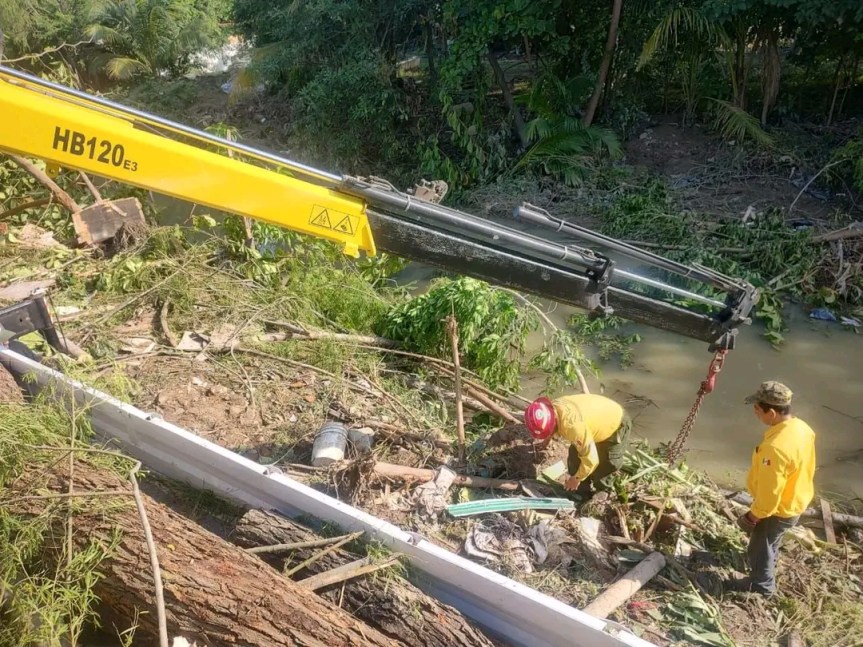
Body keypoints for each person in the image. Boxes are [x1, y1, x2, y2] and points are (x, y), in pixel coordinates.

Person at [730, 381, 816, 596]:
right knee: (771, 541)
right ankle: (767, 567)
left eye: (757, 410)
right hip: (797, 497)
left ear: (771, 412)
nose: (755, 414)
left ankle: (761, 585)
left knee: (761, 546)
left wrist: (753, 516)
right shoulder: (802, 428)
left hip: (779, 509)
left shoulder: (775, 448)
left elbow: (770, 495)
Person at [524, 393, 632, 495]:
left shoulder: (573, 427)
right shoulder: (553, 408)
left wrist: (576, 479)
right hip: (592, 423)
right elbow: (550, 425)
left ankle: (603, 492)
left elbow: (592, 460)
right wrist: (546, 441)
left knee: (606, 464)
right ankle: (582, 491)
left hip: (615, 424)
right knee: (574, 456)